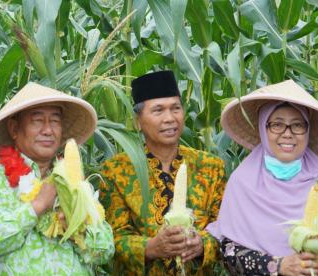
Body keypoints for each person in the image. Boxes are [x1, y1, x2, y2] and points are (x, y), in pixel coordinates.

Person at [0, 82, 115, 275]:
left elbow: (106, 251)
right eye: (37, 120)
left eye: (55, 121)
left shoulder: (74, 181)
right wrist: (37, 207)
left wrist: (77, 229)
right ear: (14, 128)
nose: (48, 130)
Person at [99, 71, 227, 275]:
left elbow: (227, 230)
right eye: (158, 111)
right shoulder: (117, 170)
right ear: (138, 121)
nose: (170, 118)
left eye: (176, 108)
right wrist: (151, 248)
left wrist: (203, 244)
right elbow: (111, 238)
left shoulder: (211, 167)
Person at [207, 80, 318, 275]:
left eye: (297, 125)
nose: (287, 134)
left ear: (307, 130)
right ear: (263, 129)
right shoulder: (242, 181)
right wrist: (278, 265)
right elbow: (228, 250)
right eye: (277, 125)